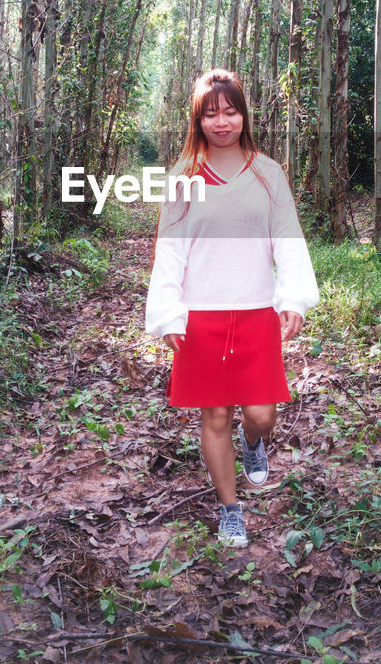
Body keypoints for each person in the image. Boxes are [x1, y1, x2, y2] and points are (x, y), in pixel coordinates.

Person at [145, 69, 319, 548]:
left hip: (255, 310)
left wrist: (294, 298)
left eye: (230, 110)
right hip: (202, 316)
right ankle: (230, 509)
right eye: (210, 113)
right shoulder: (184, 178)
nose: (222, 121)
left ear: (243, 114)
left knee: (261, 413)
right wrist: (168, 313)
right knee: (215, 416)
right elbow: (171, 250)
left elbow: (288, 238)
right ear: (197, 121)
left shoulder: (268, 173)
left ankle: (255, 442)